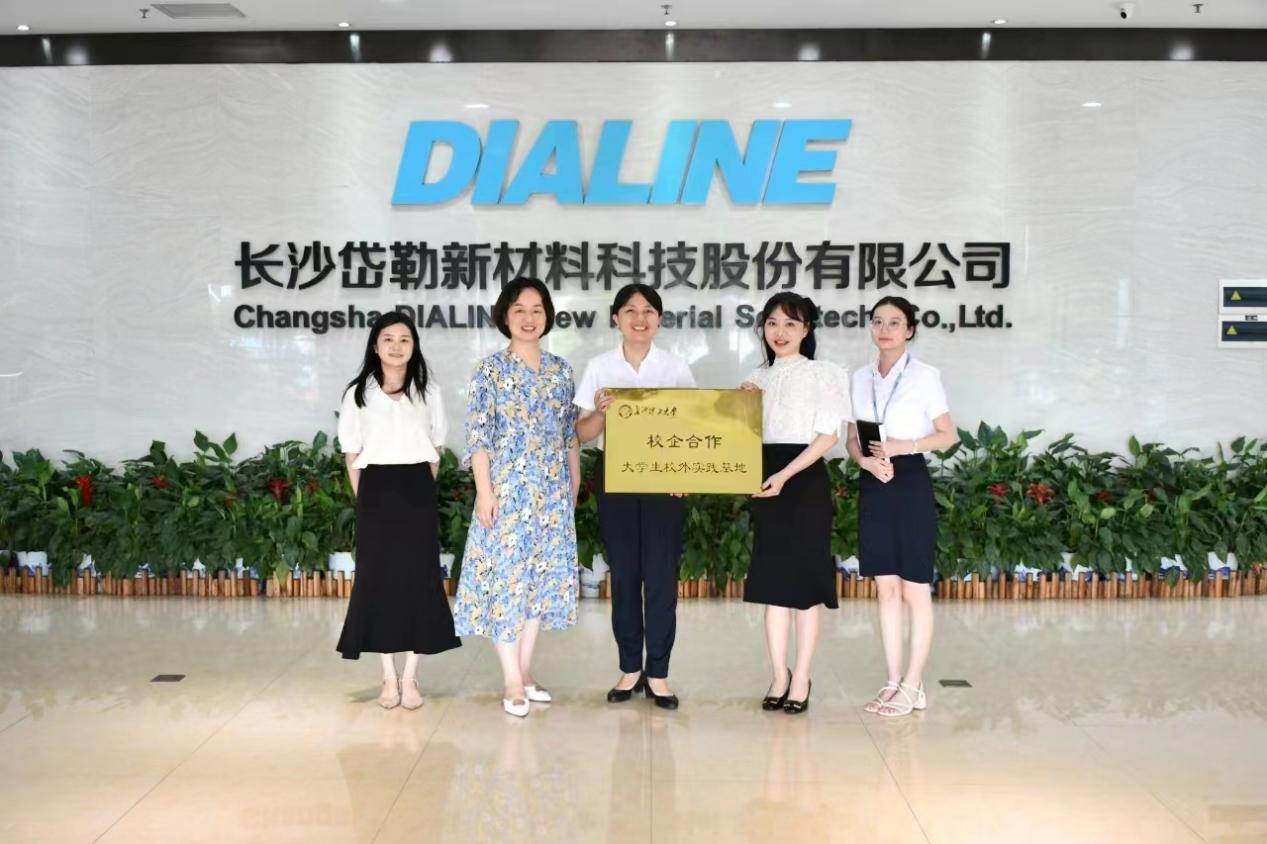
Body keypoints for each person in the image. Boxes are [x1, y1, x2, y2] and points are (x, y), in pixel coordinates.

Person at [452, 278, 581, 718]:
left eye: (537, 309)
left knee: (537, 586)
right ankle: (510, 679)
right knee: (507, 584)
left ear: (548, 315)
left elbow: (568, 434)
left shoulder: (561, 370)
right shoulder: (490, 371)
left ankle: (525, 672)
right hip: (506, 493)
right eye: (520, 309)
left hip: (551, 494)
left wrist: (573, 485)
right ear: (505, 316)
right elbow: (478, 437)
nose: (529, 318)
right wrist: (484, 492)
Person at [575, 283, 696, 710]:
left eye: (648, 311)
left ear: (659, 319)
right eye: (630, 310)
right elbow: (582, 433)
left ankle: (658, 673)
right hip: (617, 480)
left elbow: (693, 427)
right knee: (625, 577)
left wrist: (685, 472)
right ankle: (630, 668)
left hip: (666, 481)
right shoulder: (599, 366)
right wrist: (600, 414)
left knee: (661, 577)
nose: (639, 318)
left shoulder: (676, 367)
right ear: (616, 318)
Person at [335, 311, 460, 710]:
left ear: (414, 346)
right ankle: (389, 676)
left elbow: (436, 447)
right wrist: (366, 500)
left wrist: (422, 487)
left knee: (420, 579)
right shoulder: (358, 393)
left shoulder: (428, 391)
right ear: (375, 346)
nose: (396, 346)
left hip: (416, 487)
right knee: (379, 581)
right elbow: (351, 453)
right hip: (375, 490)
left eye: (404, 339)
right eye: (388, 339)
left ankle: (411, 677)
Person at [846, 295, 957, 718]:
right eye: (878, 321)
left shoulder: (925, 376)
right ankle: (894, 681)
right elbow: (852, 437)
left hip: (909, 478)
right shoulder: (859, 378)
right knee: (886, 589)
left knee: (914, 588)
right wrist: (865, 461)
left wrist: (901, 446)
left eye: (895, 322)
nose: (885, 329)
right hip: (874, 480)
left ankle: (914, 682)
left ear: (910, 329)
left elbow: (947, 434)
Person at [740, 292, 850, 715]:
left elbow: (828, 437)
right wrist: (739, 406)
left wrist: (785, 475)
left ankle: (801, 676)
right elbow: (739, 436)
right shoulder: (756, 377)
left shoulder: (825, 373)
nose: (780, 332)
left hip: (802, 482)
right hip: (764, 479)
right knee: (772, 584)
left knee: (804, 585)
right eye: (772, 323)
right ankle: (778, 675)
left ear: (807, 329)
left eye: (790, 323)